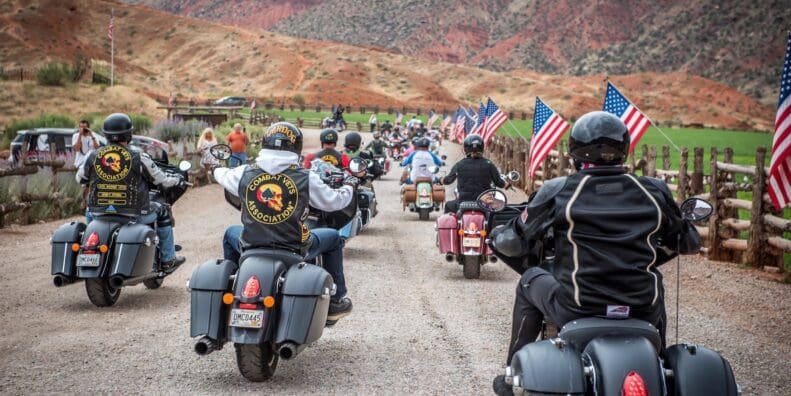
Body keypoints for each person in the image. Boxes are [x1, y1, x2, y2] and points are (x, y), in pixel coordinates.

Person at [489, 111, 701, 395]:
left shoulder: (560, 190)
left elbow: (514, 242)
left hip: (578, 306)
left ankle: (509, 377)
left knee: (529, 279)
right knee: (655, 279)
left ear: (575, 150)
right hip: (641, 310)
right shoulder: (654, 190)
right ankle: (658, 359)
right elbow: (687, 242)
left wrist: (497, 234)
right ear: (624, 148)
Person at [215, 122, 357, 325]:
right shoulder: (305, 177)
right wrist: (349, 186)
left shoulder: (244, 173)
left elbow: (221, 175)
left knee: (231, 233)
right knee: (333, 238)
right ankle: (335, 301)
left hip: (251, 245)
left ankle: (235, 283)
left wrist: (215, 166)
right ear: (296, 147)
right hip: (294, 246)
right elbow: (335, 201)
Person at [76, 113, 186, 270]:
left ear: (106, 134)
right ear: (129, 134)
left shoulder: (93, 155)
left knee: (89, 211)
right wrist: (178, 180)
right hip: (132, 214)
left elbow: (80, 178)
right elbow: (161, 179)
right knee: (163, 210)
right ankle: (168, 259)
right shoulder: (138, 156)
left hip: (97, 214)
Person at [438, 134, 507, 214]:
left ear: (466, 148)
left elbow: (448, 180)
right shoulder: (488, 164)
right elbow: (499, 183)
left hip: (462, 202)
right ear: (482, 147)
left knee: (448, 205)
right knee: (497, 211)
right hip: (483, 202)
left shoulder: (459, 164)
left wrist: (440, 180)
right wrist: (507, 184)